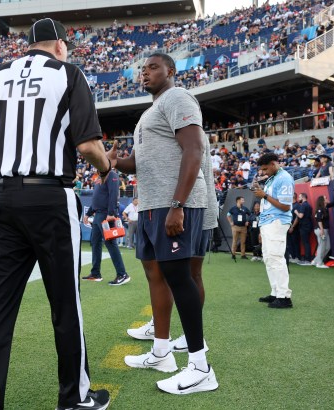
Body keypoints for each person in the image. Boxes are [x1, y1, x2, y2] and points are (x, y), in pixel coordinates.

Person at [0, 18, 112, 410]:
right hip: (49, 198)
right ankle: (74, 398)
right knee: (65, 303)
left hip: (2, 198)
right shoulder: (68, 73)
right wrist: (106, 166)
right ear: (60, 46)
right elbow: (88, 144)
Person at [109, 52, 218, 395]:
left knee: (179, 277)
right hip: (151, 204)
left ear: (171, 71)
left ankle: (201, 367)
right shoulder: (148, 114)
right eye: (142, 69)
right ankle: (161, 352)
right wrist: (113, 161)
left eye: (153, 67)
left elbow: (194, 149)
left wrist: (177, 205)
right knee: (155, 274)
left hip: (173, 204)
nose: (145, 73)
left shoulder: (178, 97)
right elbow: (138, 165)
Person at [252, 152, 294, 309]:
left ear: (273, 164)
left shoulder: (284, 178)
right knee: (269, 258)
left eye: (265, 169)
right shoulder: (273, 178)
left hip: (277, 221)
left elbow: (285, 206)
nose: (264, 172)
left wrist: (264, 195)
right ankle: (276, 292)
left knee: (276, 258)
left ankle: (284, 296)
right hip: (268, 221)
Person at [83, 168, 130, 285]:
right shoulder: (99, 177)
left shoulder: (112, 174)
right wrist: (88, 214)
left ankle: (122, 274)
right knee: (95, 242)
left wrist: (111, 213)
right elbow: (97, 197)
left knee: (111, 243)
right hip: (98, 214)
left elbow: (114, 194)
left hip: (105, 214)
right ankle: (95, 273)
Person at [293, 193, 313, 265]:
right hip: (307, 226)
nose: (298, 198)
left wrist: (296, 212)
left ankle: (307, 260)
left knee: (306, 243)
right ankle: (307, 259)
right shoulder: (308, 205)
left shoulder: (303, 205)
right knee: (306, 242)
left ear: (303, 197)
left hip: (304, 226)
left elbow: (300, 216)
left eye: (299, 197)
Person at [313, 195, 330, 269]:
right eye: (325, 198)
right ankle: (319, 263)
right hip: (321, 230)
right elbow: (319, 220)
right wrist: (322, 229)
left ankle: (316, 260)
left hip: (323, 229)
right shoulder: (320, 209)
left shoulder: (325, 208)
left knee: (327, 247)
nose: (327, 199)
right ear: (322, 201)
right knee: (322, 246)